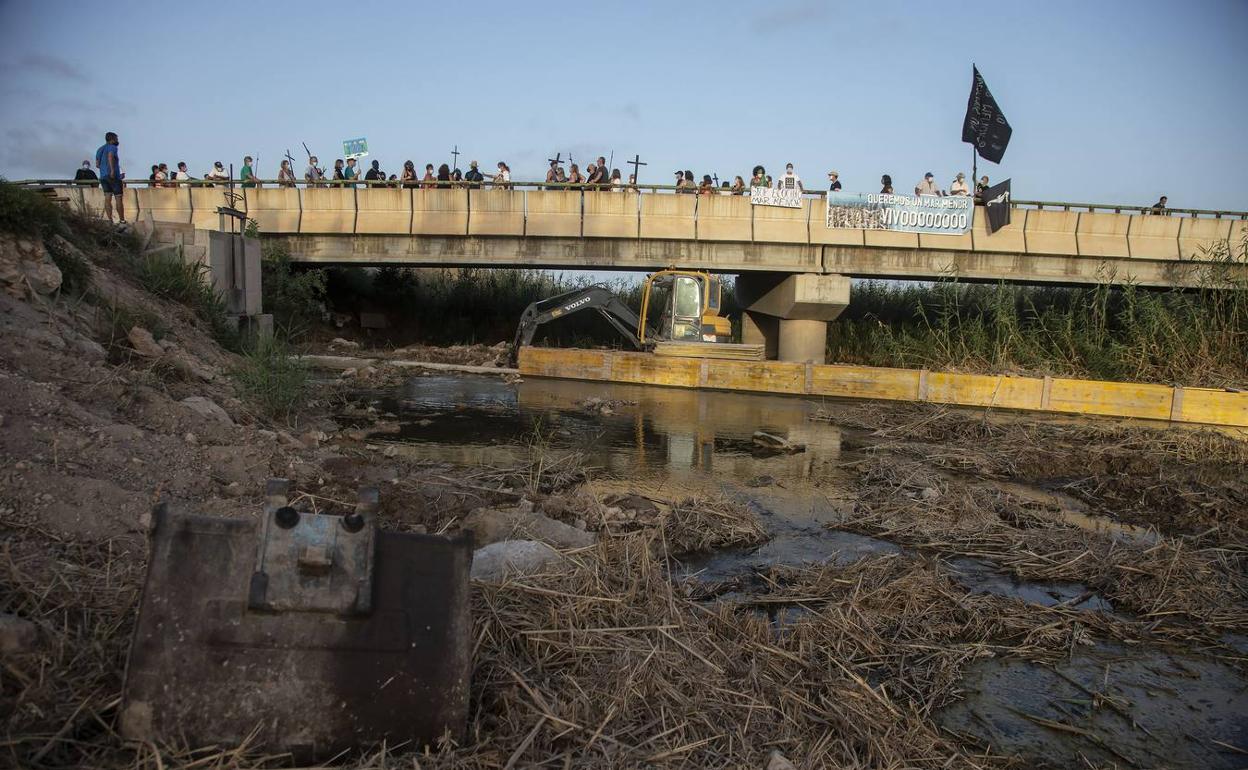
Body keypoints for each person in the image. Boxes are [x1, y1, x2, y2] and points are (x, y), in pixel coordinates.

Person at [94, 131, 125, 223]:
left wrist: (104, 169)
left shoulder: (100, 149)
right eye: (116, 138)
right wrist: (111, 170)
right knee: (118, 197)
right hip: (113, 176)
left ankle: (110, 220)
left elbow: (97, 164)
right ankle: (122, 220)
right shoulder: (112, 147)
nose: (117, 140)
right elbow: (110, 156)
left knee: (107, 197)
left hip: (103, 176)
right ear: (112, 139)